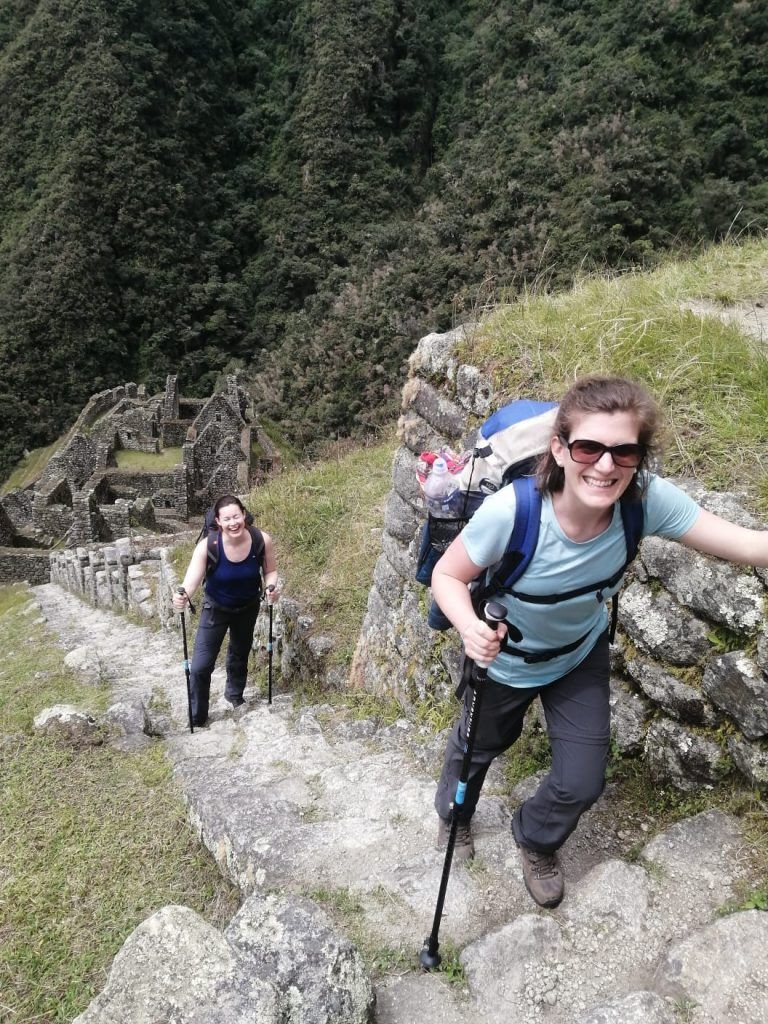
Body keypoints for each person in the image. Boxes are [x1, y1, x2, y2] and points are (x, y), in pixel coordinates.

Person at [431, 374, 768, 909]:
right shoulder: (513, 513)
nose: (606, 465)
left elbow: (747, 544)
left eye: (624, 451)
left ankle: (534, 838)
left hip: (577, 656)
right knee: (476, 753)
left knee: (582, 782)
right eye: (589, 447)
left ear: (639, 458)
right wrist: (470, 628)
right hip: (505, 660)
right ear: (560, 449)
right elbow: (447, 577)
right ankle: (455, 816)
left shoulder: (644, 503)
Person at [172, 494, 279, 726]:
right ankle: (198, 717)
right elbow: (191, 580)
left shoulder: (261, 539)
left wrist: (271, 586)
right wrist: (182, 595)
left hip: (248, 606)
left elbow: (270, 570)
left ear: (244, 515)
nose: (233, 523)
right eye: (227, 519)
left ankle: (235, 696)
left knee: (239, 655)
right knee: (200, 666)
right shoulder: (208, 545)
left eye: (237, 516)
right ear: (218, 522)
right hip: (215, 608)